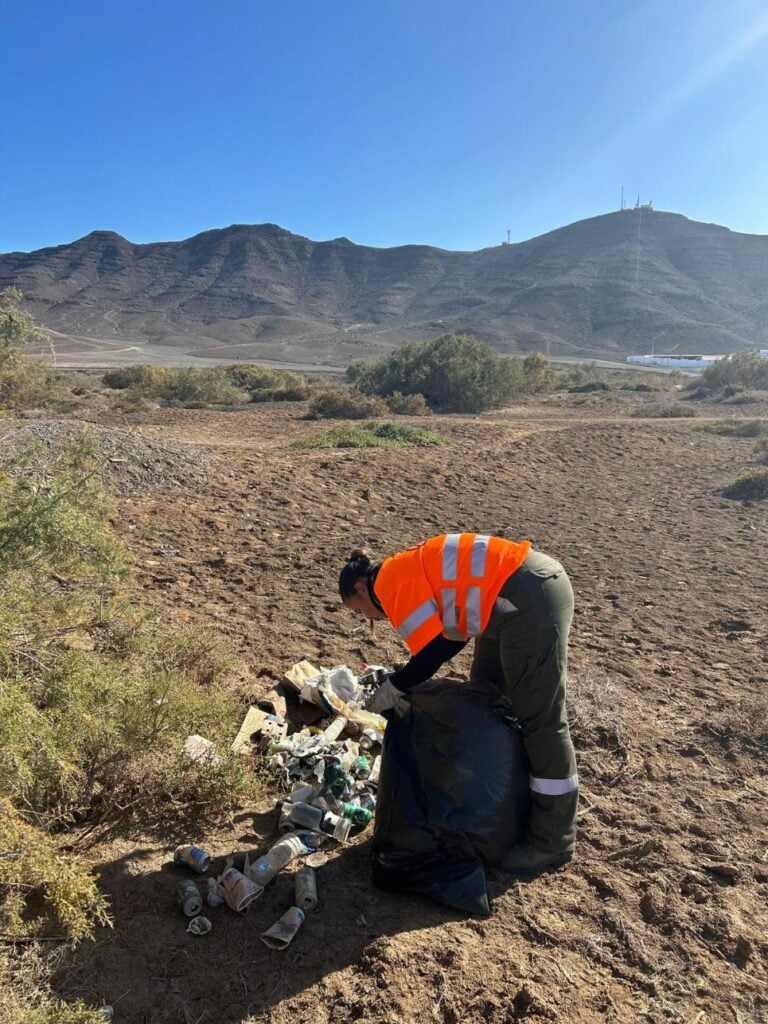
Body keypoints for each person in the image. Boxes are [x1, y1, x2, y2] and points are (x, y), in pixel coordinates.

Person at [338, 533, 577, 878]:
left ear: (361, 588)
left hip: (527, 596)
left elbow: (437, 649)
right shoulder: (399, 570)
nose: (368, 620)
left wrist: (396, 686)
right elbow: (453, 635)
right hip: (509, 596)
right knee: (487, 696)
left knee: (541, 721)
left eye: (360, 612)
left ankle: (552, 839)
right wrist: (403, 679)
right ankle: (512, 807)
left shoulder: (391, 583)